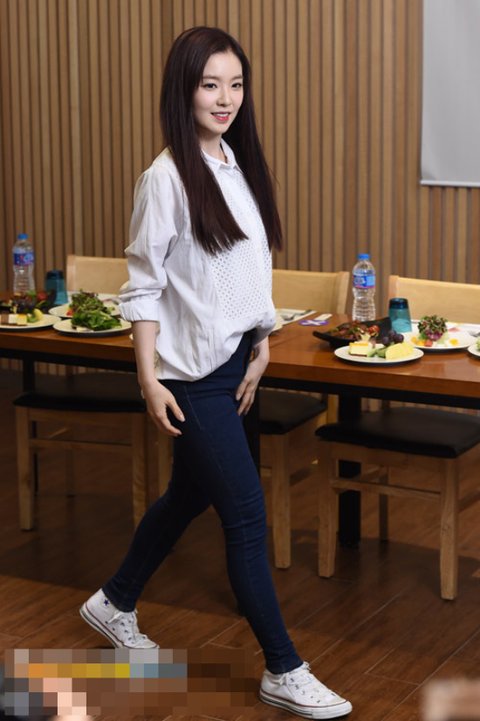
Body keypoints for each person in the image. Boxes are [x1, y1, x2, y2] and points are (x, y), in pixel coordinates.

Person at [79, 26, 352, 720]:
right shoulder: (165, 179)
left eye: (235, 84)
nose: (225, 98)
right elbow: (143, 289)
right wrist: (149, 379)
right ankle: (284, 669)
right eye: (210, 85)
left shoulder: (236, 162)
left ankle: (114, 600)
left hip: (236, 363)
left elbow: (246, 269)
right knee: (247, 516)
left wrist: (262, 341)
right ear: (184, 90)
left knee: (189, 494)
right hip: (191, 377)